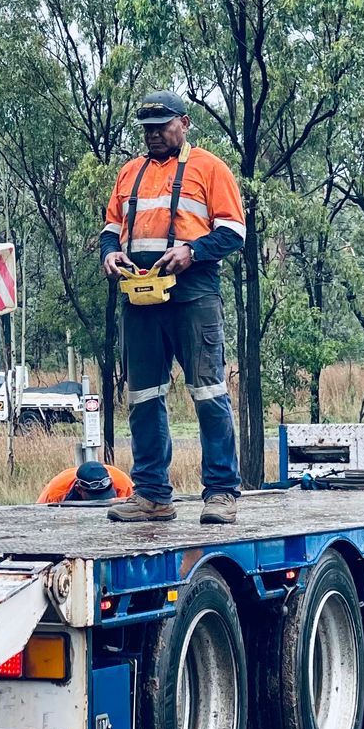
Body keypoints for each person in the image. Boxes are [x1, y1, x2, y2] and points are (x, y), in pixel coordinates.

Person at [98, 90, 245, 523]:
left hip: (193, 292)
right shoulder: (130, 173)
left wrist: (192, 252)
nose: (155, 135)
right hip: (140, 294)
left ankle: (221, 494)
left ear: (184, 123)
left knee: (208, 391)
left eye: (163, 126)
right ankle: (152, 495)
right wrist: (110, 254)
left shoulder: (210, 168)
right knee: (143, 395)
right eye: (148, 128)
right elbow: (111, 228)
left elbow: (233, 232)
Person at [37, 458, 133, 505]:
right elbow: (40, 516)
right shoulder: (55, 492)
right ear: (79, 489)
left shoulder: (123, 484)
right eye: (96, 499)